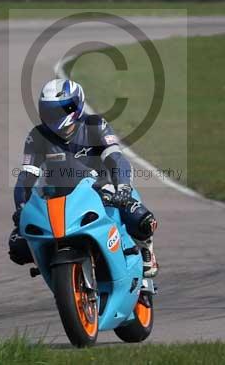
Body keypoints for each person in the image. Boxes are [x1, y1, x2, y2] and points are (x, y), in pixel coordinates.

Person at [8, 79, 159, 277]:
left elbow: (116, 159)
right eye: (49, 111)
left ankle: (145, 248)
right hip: (57, 199)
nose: (54, 116)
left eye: (59, 111)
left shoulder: (95, 124)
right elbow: (26, 176)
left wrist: (123, 189)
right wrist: (20, 207)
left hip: (100, 189)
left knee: (140, 217)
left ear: (76, 105)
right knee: (18, 245)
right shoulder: (37, 136)